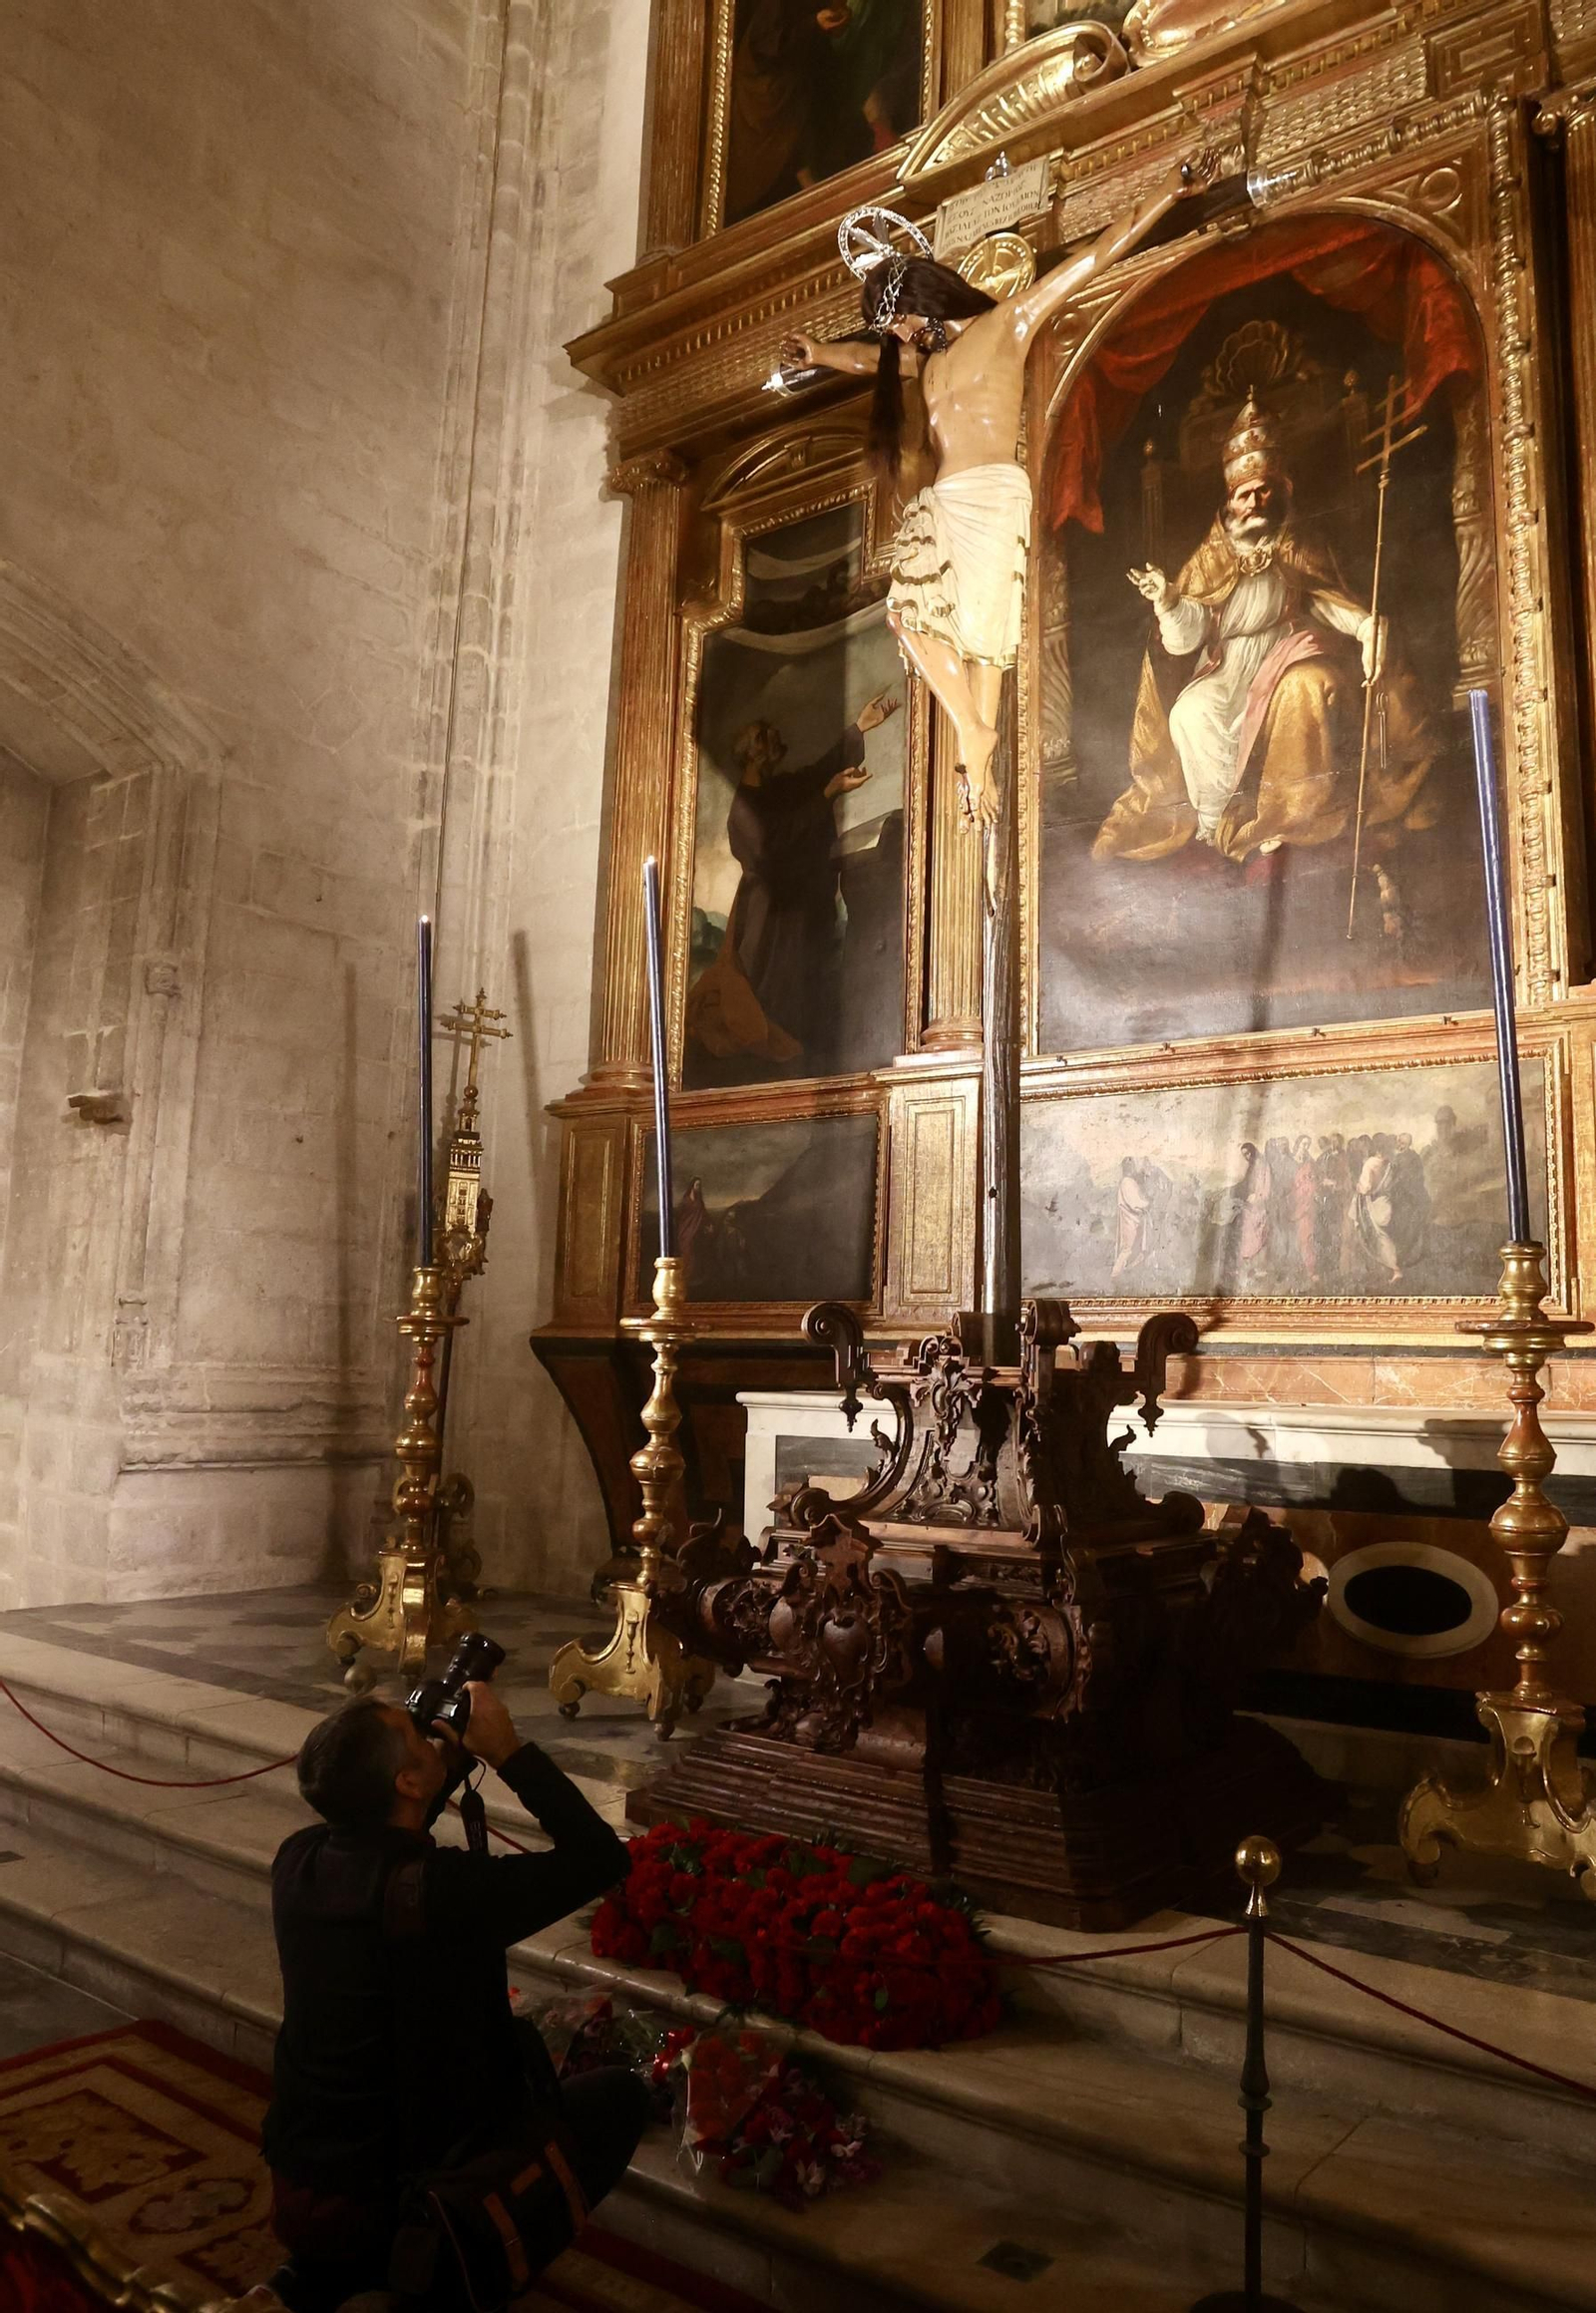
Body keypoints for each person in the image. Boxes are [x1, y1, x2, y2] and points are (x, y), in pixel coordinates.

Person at [780, 159, 1212, 827]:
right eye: (889, 330)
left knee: (955, 628)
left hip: (992, 494)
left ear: (923, 295)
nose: (895, 337)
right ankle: (976, 749)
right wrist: (821, 354)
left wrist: (1168, 193)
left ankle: (975, 745)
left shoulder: (1008, 322)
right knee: (933, 624)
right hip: (947, 501)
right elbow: (868, 362)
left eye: (896, 321)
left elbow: (1097, 256)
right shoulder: (928, 364)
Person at [262, 1684, 644, 2311]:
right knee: (617, 2099)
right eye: (414, 1735)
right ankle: (444, 2282)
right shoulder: (450, 1895)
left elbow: (390, 1834)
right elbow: (600, 1857)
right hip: (416, 2198)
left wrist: (438, 1761)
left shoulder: (297, 1861)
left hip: (307, 2173)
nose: (425, 1731)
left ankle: (317, 2277)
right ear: (409, 1784)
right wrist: (510, 1752)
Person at [1097, 393, 1438, 866]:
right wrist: (1169, 600)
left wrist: (1364, 627)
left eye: (1263, 490)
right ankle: (1220, 820)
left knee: (1305, 689)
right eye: (1245, 494)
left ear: (1280, 488)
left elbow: (1326, 599)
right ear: (1230, 502)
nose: (1255, 501)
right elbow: (1187, 637)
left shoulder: (1300, 542)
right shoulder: (1210, 556)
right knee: (1188, 713)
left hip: (1292, 651)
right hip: (1228, 666)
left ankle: (1292, 817)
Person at [684, 689, 899, 1073]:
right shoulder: (743, 808)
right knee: (773, 988)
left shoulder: (778, 789)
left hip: (798, 906)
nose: (778, 743)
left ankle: (802, 1054)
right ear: (754, 753)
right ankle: (775, 1063)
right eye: (768, 738)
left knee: (805, 978)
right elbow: (775, 845)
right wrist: (827, 795)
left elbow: (816, 775)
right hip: (769, 914)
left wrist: (859, 727)